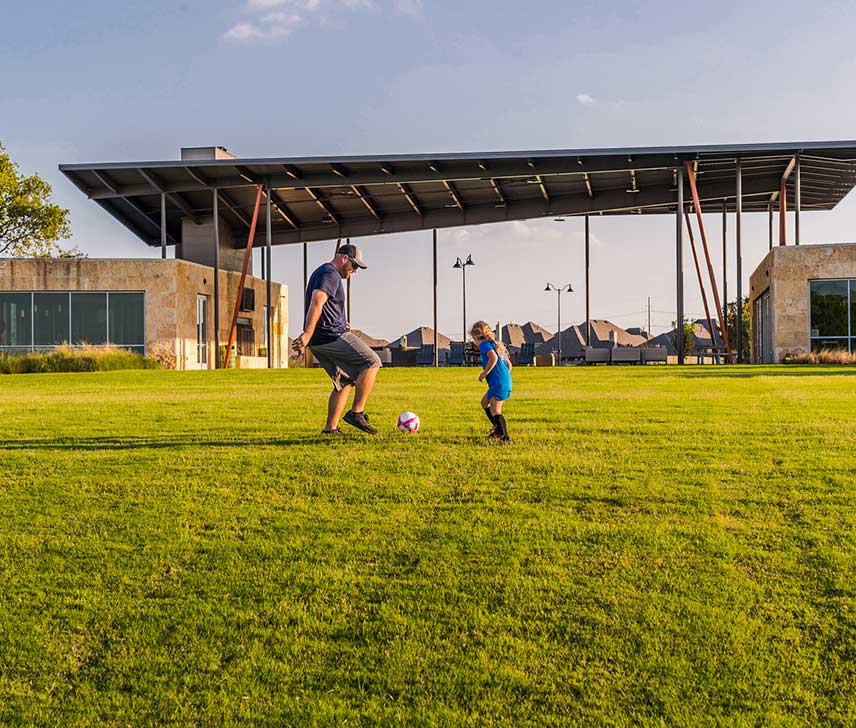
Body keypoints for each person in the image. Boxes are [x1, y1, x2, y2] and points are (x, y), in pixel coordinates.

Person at [292, 244, 381, 435]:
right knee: (372, 361)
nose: (355, 271)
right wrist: (307, 333)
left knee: (344, 381)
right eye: (354, 265)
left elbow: (325, 306)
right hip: (329, 336)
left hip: (320, 339)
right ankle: (357, 412)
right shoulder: (330, 273)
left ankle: (330, 429)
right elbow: (317, 301)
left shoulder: (323, 272)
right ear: (344, 258)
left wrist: (341, 322)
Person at [470, 320, 513, 443]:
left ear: (477, 337)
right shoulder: (495, 345)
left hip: (499, 384)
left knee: (496, 410)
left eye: (473, 339)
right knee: (484, 403)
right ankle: (497, 430)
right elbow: (509, 365)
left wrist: (485, 373)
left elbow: (493, 358)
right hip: (501, 382)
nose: (474, 342)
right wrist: (504, 376)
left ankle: (505, 437)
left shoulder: (484, 344)